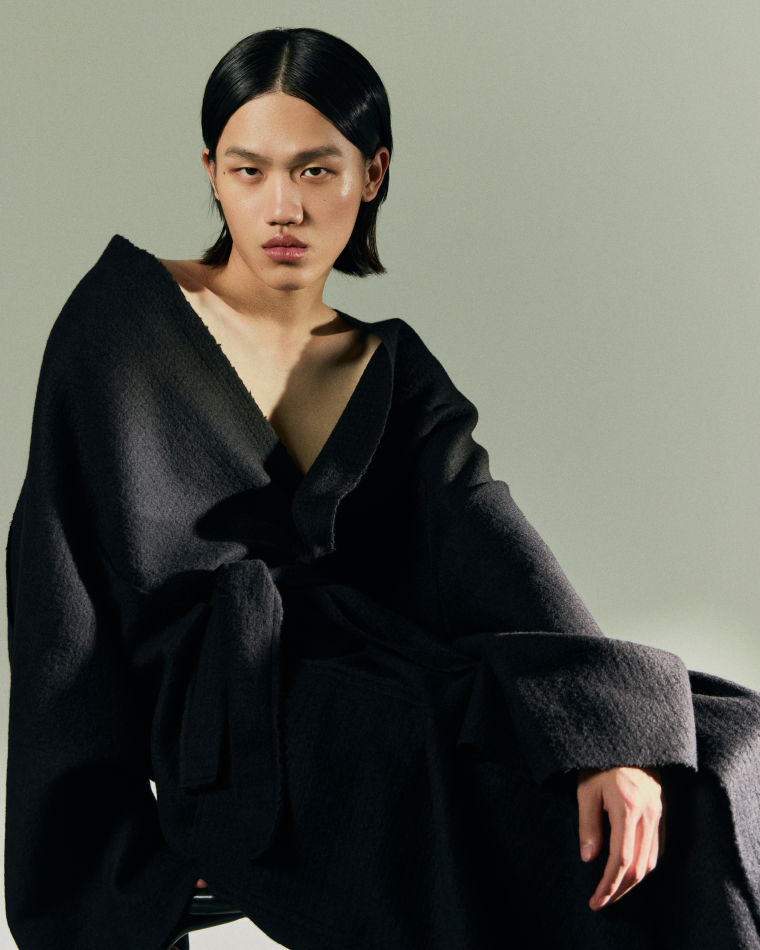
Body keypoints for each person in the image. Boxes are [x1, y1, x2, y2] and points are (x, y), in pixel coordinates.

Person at [4, 26, 760, 950]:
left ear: (373, 173)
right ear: (212, 175)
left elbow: (489, 540)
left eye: (316, 170)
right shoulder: (124, 322)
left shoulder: (387, 366)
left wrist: (607, 735)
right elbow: (59, 598)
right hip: (246, 735)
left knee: (719, 753)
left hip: (388, 678)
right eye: (249, 171)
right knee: (495, 786)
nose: (282, 205)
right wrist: (116, 866)